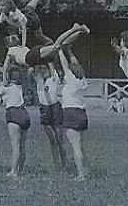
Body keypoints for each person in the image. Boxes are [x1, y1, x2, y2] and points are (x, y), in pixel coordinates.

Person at [57, 48, 90, 182]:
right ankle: (84, 171)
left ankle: (81, 175)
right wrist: (69, 51)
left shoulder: (70, 79)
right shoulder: (82, 81)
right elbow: (75, 64)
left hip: (70, 112)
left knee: (76, 147)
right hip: (81, 113)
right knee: (80, 146)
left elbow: (65, 65)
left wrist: (59, 49)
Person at [0, 55, 30, 178]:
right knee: (22, 145)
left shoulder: (4, 87)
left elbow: (2, 84)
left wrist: (3, 70)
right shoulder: (21, 86)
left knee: (15, 145)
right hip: (24, 113)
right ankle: (20, 169)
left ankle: (13, 171)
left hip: (13, 113)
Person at [35, 64, 70, 174]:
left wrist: (48, 60)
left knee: (60, 139)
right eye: (41, 68)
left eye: (45, 68)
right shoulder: (38, 80)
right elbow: (32, 68)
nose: (43, 70)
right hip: (44, 109)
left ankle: (64, 165)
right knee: (52, 141)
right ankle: (56, 166)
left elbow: (51, 65)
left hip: (55, 108)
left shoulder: (53, 78)